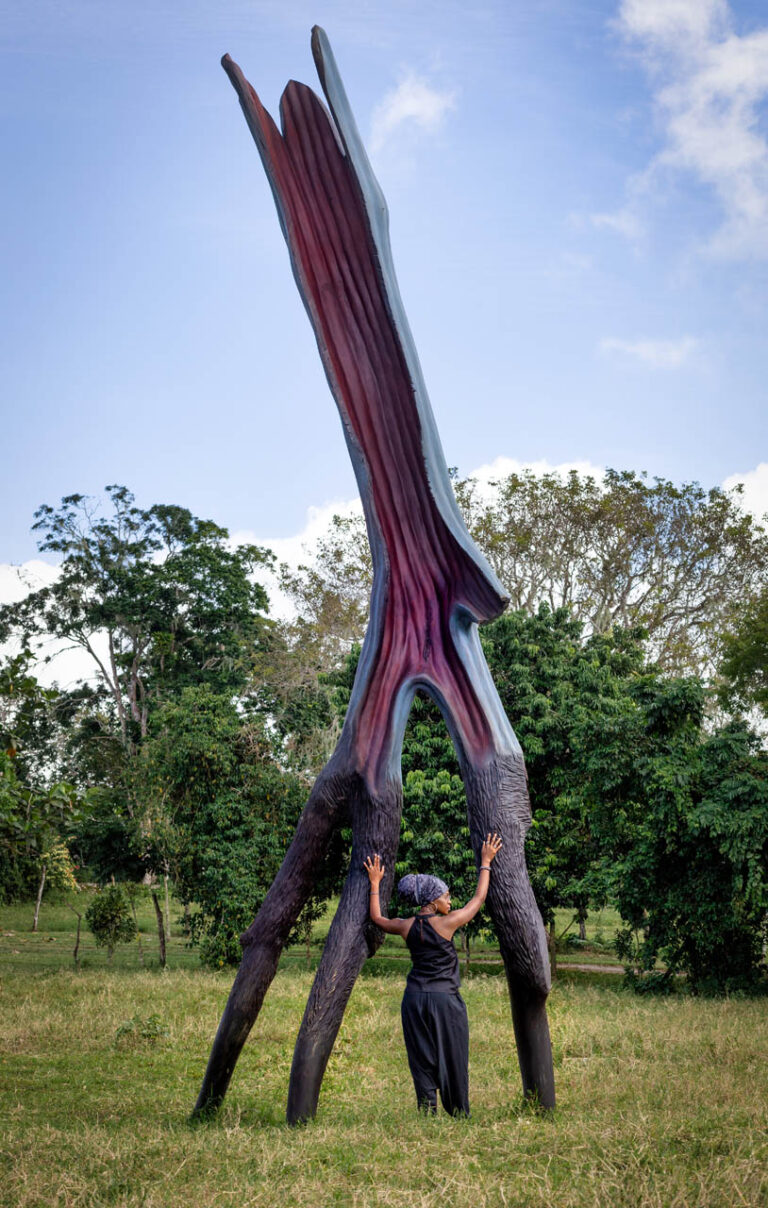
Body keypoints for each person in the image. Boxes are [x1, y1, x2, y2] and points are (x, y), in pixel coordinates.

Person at [363, 832, 502, 1116]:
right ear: (432, 900)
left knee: (421, 1056)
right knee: (453, 1055)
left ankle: (428, 1112)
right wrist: (486, 862)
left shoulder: (405, 926)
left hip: (414, 1000)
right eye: (446, 896)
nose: (450, 901)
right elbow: (478, 899)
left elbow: (377, 919)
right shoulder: (447, 924)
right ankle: (459, 1112)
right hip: (445, 1002)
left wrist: (374, 884)